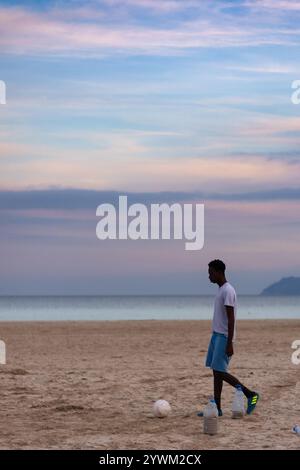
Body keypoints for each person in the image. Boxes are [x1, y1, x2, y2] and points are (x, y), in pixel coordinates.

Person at [198, 259, 259, 417]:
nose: (209, 276)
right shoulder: (220, 290)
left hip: (224, 336)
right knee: (216, 372)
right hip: (216, 335)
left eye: (210, 273)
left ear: (218, 272)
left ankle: (250, 394)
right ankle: (217, 408)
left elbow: (231, 319)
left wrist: (230, 342)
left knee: (220, 371)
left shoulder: (228, 291)